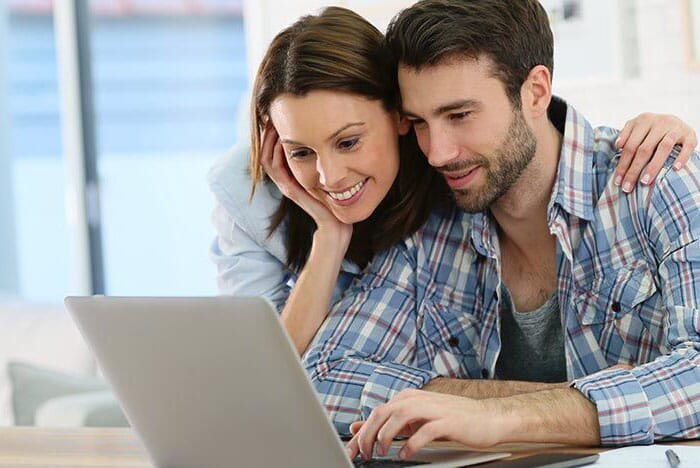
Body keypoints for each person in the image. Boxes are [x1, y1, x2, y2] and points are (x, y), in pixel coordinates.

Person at [310, 0, 700, 460]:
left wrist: (501, 419)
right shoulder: (431, 228)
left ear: (535, 92)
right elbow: (323, 377)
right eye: (419, 122)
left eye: (459, 115)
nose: (437, 153)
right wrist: (487, 408)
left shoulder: (657, 182)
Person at [208, 7, 698, 357]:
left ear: (395, 118)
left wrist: (666, 135)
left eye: (350, 142)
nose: (328, 175)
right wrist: (329, 238)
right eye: (301, 152)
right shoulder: (254, 196)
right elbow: (280, 380)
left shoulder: (450, 170)